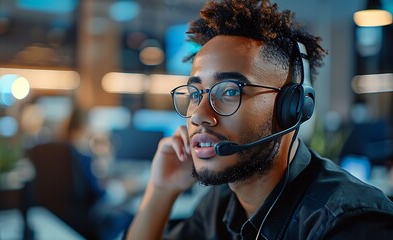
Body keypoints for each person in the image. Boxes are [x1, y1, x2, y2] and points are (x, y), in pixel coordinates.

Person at [125, 0, 393, 239]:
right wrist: (161, 190)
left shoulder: (351, 223)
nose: (199, 115)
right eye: (195, 94)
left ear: (292, 107)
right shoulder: (222, 202)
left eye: (229, 91)